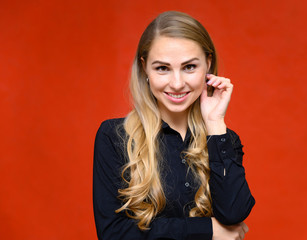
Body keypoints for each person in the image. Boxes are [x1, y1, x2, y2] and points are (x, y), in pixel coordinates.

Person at [93, 11, 255, 240]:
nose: (177, 84)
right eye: (162, 68)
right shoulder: (115, 137)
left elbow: (234, 214)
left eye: (189, 67)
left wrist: (215, 123)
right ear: (145, 68)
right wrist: (207, 230)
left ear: (208, 65)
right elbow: (113, 234)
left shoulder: (223, 139)